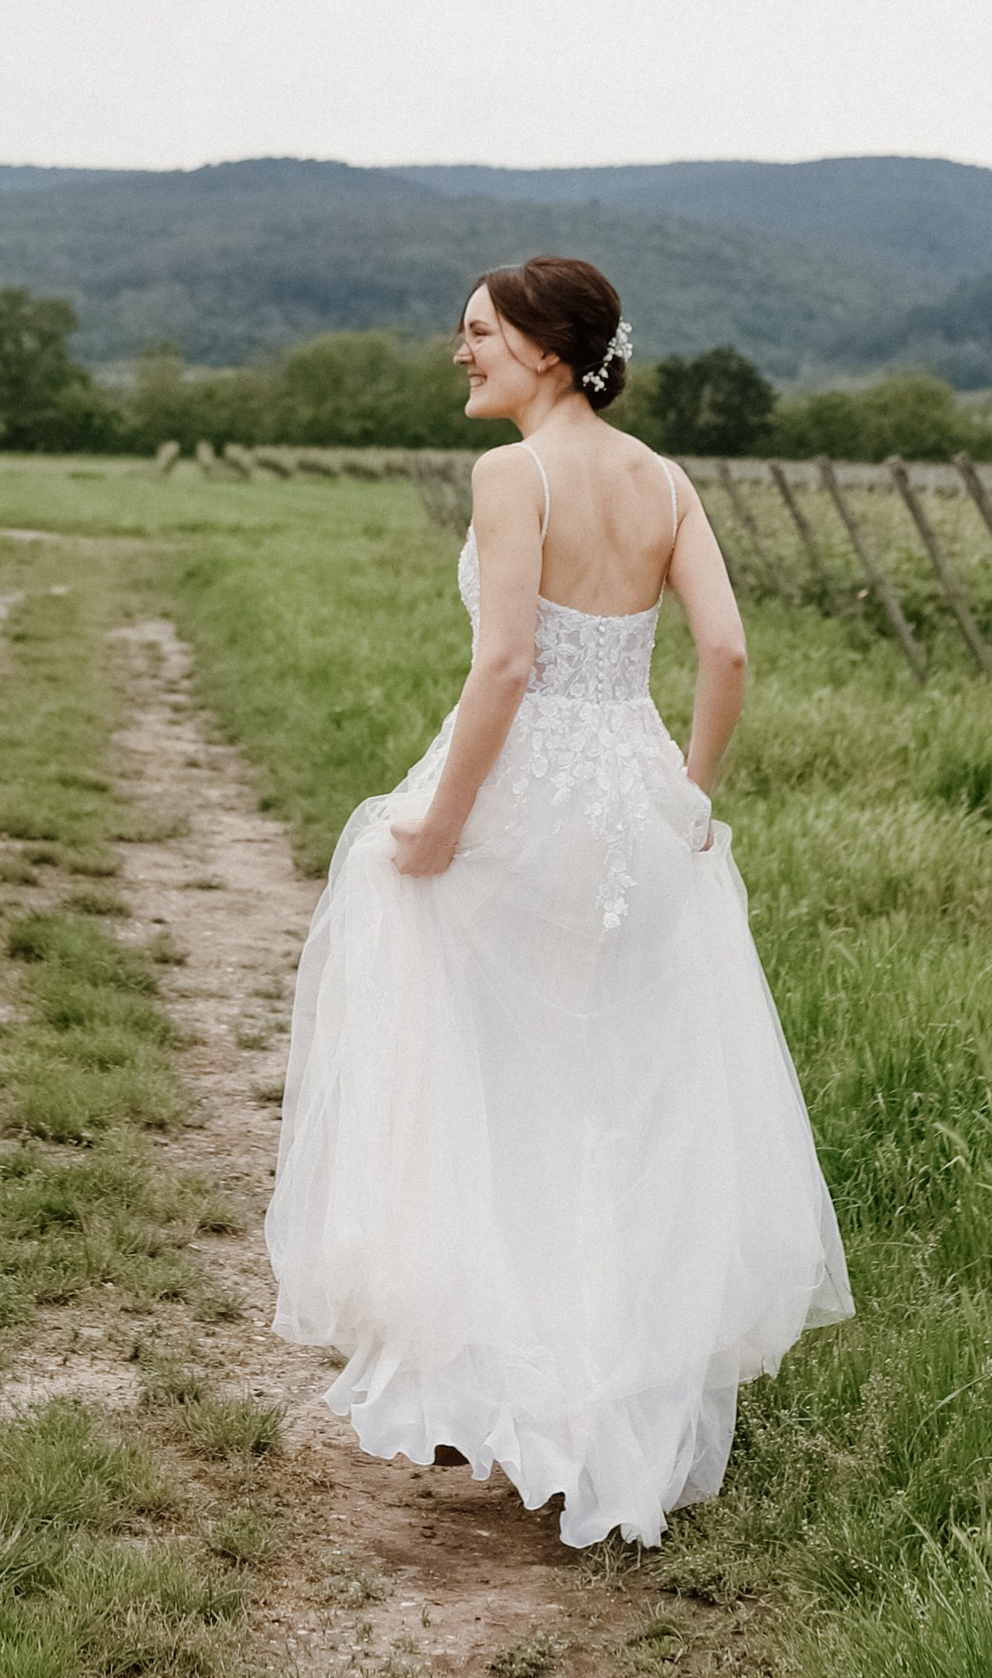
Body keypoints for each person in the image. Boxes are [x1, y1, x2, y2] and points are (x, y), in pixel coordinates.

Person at [265, 256, 851, 1548]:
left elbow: (510, 664)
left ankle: (508, 1379)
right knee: (612, 1100)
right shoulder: (668, 481)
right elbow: (729, 650)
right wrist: (688, 794)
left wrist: (442, 823)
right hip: (636, 809)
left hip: (524, 806)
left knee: (492, 1088)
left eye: (476, 334)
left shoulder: (511, 476)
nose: (458, 352)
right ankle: (600, 1394)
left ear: (542, 349)